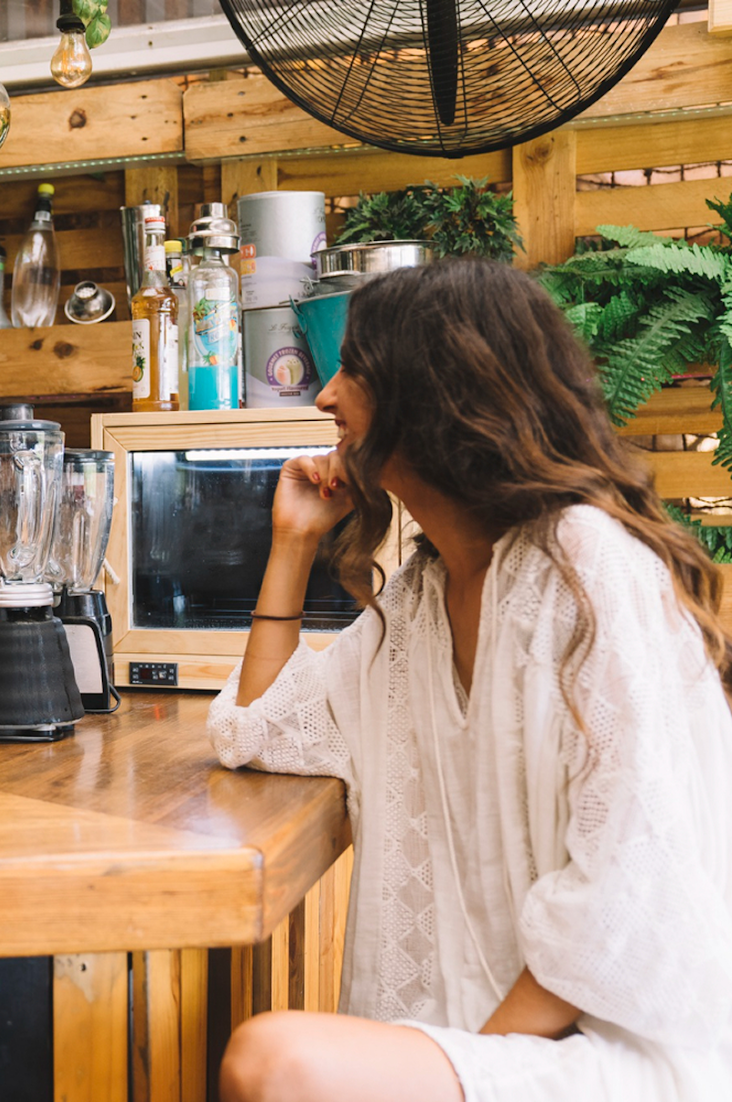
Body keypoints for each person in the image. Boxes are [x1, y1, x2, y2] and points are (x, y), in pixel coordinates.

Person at [209, 259, 732, 1102]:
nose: (323, 397)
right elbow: (254, 731)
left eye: (352, 369)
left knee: (274, 1064)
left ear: (432, 392)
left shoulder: (586, 566)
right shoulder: (419, 599)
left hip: (617, 1050)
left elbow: (629, 895)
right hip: (481, 1042)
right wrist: (292, 544)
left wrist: (472, 1065)